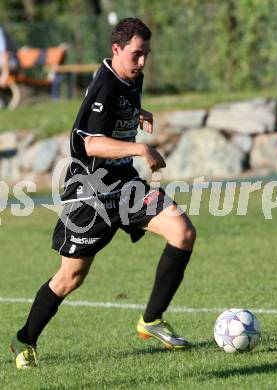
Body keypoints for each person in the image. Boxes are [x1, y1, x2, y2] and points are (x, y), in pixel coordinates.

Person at [10, 17, 196, 369]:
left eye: (147, 55)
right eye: (136, 55)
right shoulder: (105, 88)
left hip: (125, 185)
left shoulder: (129, 78)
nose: (142, 63)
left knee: (182, 232)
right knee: (70, 278)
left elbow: (116, 110)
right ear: (116, 49)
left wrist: (136, 112)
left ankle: (151, 321)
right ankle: (25, 339)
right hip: (90, 194)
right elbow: (91, 143)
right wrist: (141, 150)